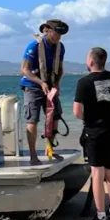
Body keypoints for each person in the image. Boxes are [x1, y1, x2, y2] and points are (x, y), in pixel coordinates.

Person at [73, 46, 110, 220]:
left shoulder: (83, 82)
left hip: (94, 132)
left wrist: (91, 119)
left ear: (90, 62)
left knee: (97, 173)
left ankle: (101, 215)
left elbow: (76, 112)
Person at [19, 19, 69, 165]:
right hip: (32, 85)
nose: (58, 37)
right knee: (32, 119)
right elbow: (24, 69)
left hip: (51, 85)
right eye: (56, 33)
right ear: (47, 30)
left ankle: (50, 149)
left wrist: (56, 85)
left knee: (54, 116)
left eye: (61, 34)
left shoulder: (61, 48)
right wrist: (40, 83)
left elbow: (59, 68)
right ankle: (33, 155)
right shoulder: (34, 46)